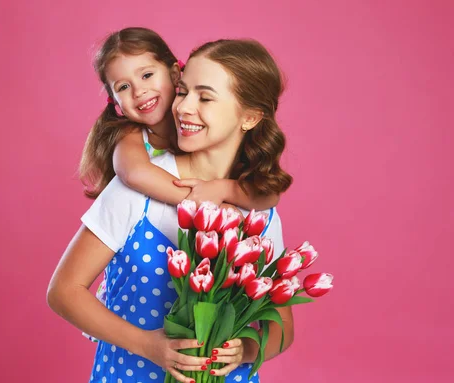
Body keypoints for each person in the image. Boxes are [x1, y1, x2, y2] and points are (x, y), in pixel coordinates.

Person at [48, 38, 294, 383]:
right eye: (182, 92)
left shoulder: (258, 212)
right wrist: (149, 346)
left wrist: (248, 350)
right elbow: (64, 292)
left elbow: (281, 326)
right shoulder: (135, 191)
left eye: (205, 97)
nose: (183, 107)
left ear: (250, 117)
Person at [78, 28, 282, 324]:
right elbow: (135, 173)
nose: (139, 92)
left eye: (147, 76)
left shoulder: (194, 127)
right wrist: (202, 207)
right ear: (115, 104)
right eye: (122, 87)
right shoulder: (130, 137)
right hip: (130, 263)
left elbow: (269, 196)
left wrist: (225, 188)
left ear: (175, 74)